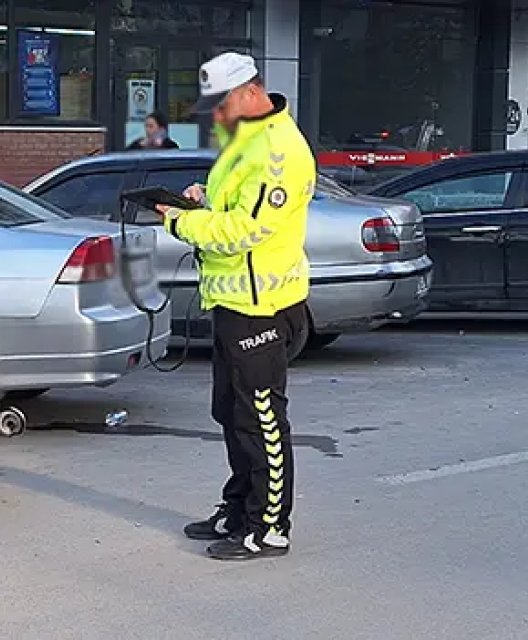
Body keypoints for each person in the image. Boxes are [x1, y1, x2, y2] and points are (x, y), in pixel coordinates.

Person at [154, 52, 316, 561]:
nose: (216, 118)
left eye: (221, 106)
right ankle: (239, 508)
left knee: (261, 419)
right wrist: (204, 202)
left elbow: (249, 229)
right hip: (232, 300)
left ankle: (269, 527)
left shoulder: (279, 152)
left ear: (249, 91)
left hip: (262, 306)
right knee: (230, 412)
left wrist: (184, 224)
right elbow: (234, 208)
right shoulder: (245, 141)